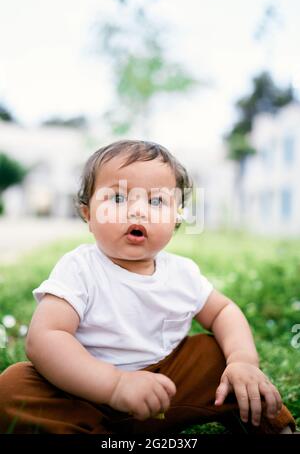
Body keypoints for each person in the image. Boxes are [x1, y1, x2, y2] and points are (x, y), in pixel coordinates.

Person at [0, 140, 297, 435]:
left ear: (175, 218)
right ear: (88, 215)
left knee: (218, 354)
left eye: (156, 201)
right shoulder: (79, 268)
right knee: (13, 386)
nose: (138, 211)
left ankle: (271, 426)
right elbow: (45, 337)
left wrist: (243, 361)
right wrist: (115, 385)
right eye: (117, 199)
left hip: (168, 390)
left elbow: (223, 311)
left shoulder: (182, 273)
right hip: (85, 393)